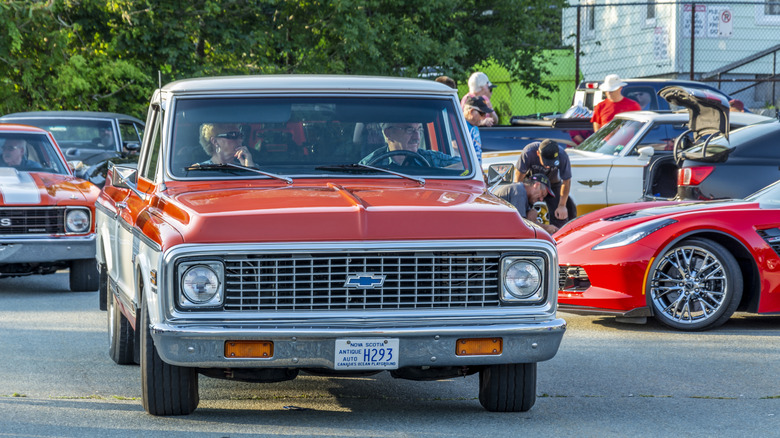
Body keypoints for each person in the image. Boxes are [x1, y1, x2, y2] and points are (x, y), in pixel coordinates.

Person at [514, 139, 576, 228]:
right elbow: (518, 178)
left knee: (560, 215)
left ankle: (557, 237)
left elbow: (566, 182)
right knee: (522, 213)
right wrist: (522, 202)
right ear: (538, 154)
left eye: (551, 163)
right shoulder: (529, 152)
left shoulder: (562, 156)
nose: (548, 166)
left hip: (553, 184)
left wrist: (562, 205)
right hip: (532, 183)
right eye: (546, 162)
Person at [360, 122, 461, 168]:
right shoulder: (370, 164)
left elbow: (466, 166)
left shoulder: (430, 158)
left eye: (419, 130)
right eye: (410, 130)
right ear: (388, 133)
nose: (417, 137)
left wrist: (440, 172)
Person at [493, 173, 559, 234]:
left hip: (497, 227)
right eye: (542, 194)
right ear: (536, 185)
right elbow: (520, 226)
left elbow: (529, 221)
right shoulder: (519, 191)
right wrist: (546, 228)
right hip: (494, 229)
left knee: (533, 212)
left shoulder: (524, 195)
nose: (541, 200)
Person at [462, 96, 494, 165]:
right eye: (482, 113)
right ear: (471, 111)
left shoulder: (475, 127)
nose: (484, 117)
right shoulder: (460, 128)